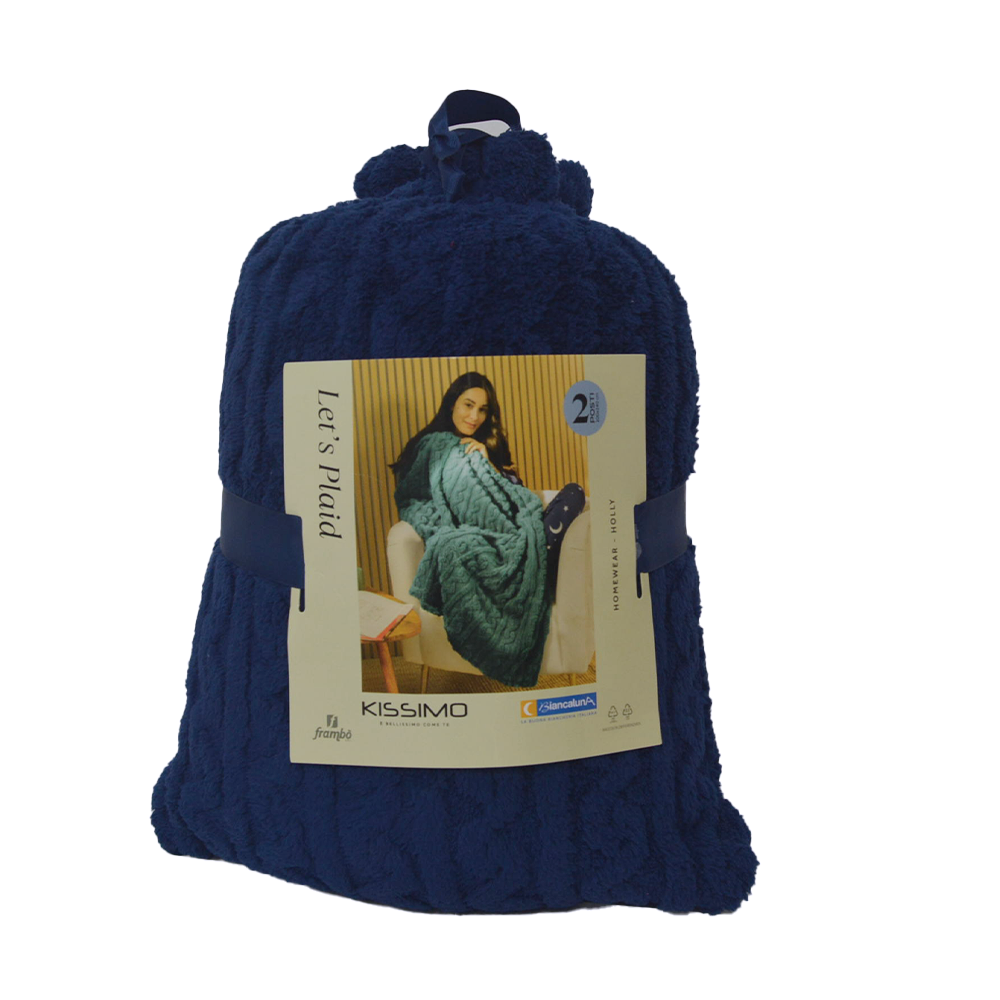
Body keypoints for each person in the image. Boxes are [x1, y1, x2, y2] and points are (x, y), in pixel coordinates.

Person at [390, 371, 586, 598]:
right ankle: (533, 577)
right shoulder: (434, 446)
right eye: (468, 405)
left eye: (482, 409)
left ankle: (535, 575)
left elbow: (517, 500)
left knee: (574, 492)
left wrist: (489, 465)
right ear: (452, 404)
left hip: (518, 533)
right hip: (490, 545)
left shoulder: (490, 442)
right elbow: (420, 500)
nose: (474, 416)